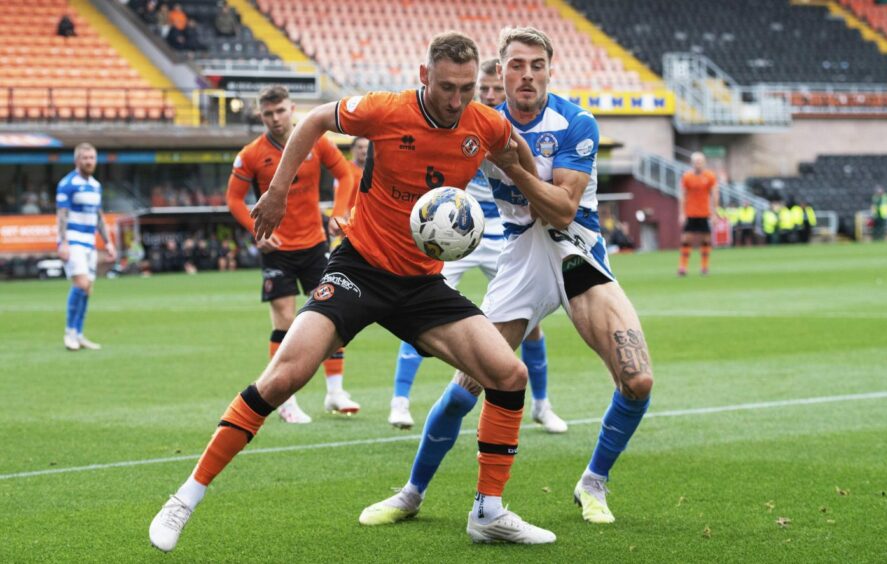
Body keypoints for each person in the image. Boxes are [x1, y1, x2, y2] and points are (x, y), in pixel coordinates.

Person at [149, 31, 556, 551]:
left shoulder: (484, 122)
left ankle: (489, 512)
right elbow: (317, 120)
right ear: (424, 76)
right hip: (359, 270)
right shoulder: (386, 111)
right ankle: (185, 497)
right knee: (285, 376)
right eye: (447, 88)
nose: (457, 101)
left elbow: (513, 151)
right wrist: (275, 192)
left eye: (467, 89)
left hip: (422, 284)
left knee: (508, 373)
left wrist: (533, 186)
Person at [360, 26, 653, 529]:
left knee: (637, 379)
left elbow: (562, 211)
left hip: (576, 253)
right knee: (464, 388)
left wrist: (515, 167)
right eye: (517, 65)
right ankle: (411, 493)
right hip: (518, 258)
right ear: (500, 70)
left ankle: (593, 482)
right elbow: (428, 173)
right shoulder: (478, 124)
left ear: (549, 70)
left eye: (537, 65)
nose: (527, 75)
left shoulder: (575, 123)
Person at [386, 58, 565, 434]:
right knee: (418, 310)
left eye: (494, 90)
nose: (486, 96)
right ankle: (400, 402)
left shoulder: (505, 130)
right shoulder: (458, 123)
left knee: (528, 322)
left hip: (501, 230)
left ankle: (543, 404)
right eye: (481, 89)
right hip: (449, 232)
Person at [226, 84, 360, 424]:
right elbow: (233, 199)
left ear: (292, 109)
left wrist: (340, 213)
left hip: (315, 245)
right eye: (268, 113)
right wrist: (257, 233)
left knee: (332, 319)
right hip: (278, 248)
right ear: (261, 115)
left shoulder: (314, 140)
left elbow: (345, 175)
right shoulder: (252, 154)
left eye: (280, 110)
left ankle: (335, 391)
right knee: (285, 322)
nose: (275, 118)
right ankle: (286, 400)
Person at [56, 143, 117, 351]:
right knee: (80, 284)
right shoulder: (67, 184)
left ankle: (79, 333)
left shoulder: (96, 185)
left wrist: (108, 242)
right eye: (85, 158)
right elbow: (62, 215)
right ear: (77, 160)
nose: (89, 161)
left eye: (92, 158)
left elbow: (98, 216)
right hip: (73, 240)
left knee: (88, 289)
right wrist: (62, 242)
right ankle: (69, 333)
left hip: (89, 241)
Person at [678, 153, 718, 276]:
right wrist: (682, 213)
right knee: (686, 239)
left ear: (704, 162)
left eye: (700, 161)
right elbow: (682, 195)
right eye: (696, 161)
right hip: (690, 213)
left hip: (705, 213)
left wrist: (714, 213)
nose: (698, 163)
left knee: (706, 239)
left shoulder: (710, 176)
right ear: (692, 163)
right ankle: (683, 267)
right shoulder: (687, 177)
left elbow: (715, 194)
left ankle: (704, 267)